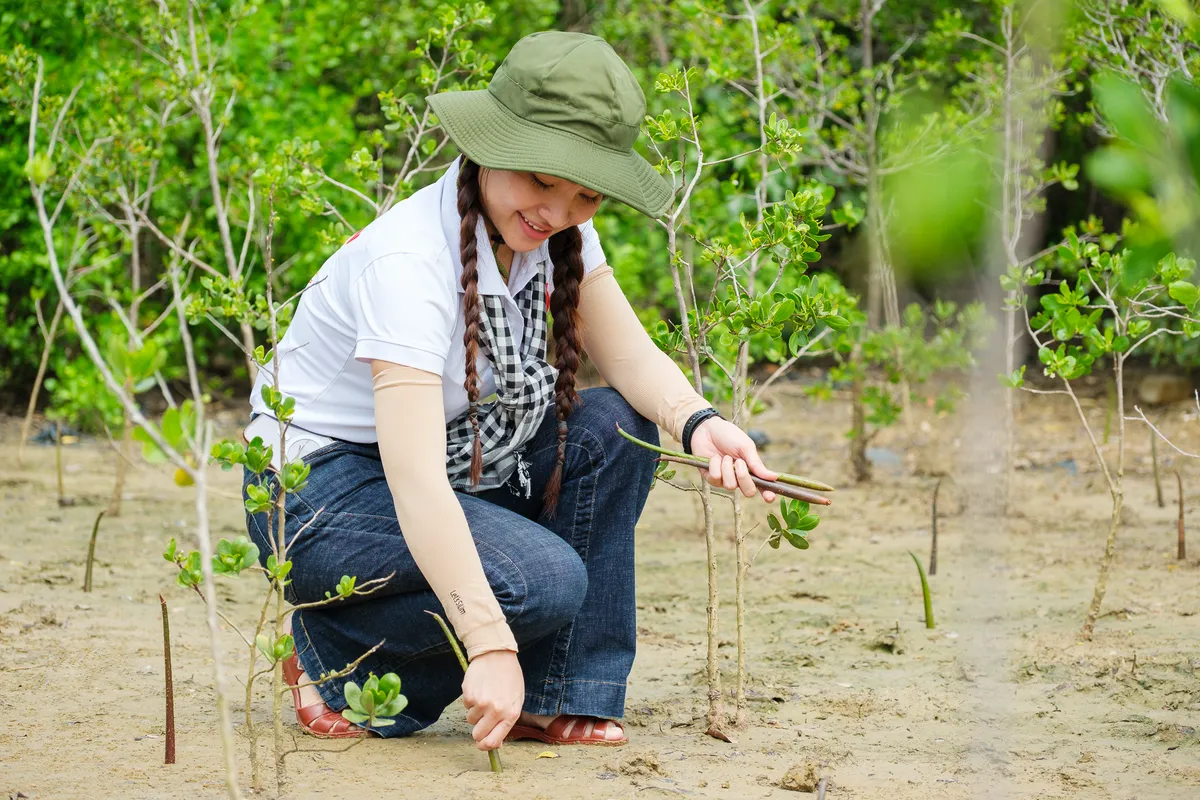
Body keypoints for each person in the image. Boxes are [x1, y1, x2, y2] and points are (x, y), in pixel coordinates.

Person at [242, 30, 778, 751]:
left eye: (584, 193)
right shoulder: (409, 262)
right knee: (541, 582)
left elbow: (628, 355)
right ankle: (331, 653)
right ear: (491, 145)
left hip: (451, 456)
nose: (556, 211)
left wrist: (699, 422)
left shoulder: (555, 236)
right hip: (319, 490)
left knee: (617, 427)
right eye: (540, 179)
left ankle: (555, 695)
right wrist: (489, 640)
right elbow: (413, 478)